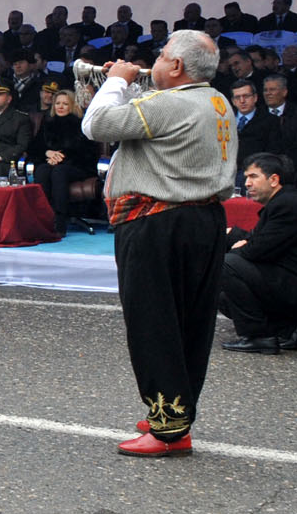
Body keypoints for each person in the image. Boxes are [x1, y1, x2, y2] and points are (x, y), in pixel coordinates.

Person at [82, 30, 232, 458]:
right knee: (190, 323)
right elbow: (153, 116)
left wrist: (117, 80)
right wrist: (129, 85)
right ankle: (177, 411)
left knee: (154, 324)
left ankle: (168, 428)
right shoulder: (215, 100)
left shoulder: (168, 105)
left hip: (157, 222)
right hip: (203, 219)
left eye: (163, 56)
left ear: (178, 66)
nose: (156, 62)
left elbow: (95, 124)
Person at [219, 153, 297, 353]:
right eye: (246, 177)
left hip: (289, 281)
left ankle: (258, 336)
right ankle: (285, 331)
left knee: (225, 264)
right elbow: (260, 240)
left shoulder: (287, 204)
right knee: (220, 292)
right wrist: (234, 236)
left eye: (253, 176)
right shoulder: (281, 201)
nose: (247, 183)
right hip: (282, 277)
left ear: (274, 180)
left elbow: (259, 250)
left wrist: (239, 244)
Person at [28, 89, 98, 233]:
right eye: (57, 103)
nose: (60, 106)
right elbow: (34, 147)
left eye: (65, 104)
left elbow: (87, 152)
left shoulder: (81, 124)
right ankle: (43, 219)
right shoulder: (47, 123)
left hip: (78, 166)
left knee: (59, 172)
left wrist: (61, 157)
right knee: (42, 170)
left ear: (72, 106)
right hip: (50, 163)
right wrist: (48, 153)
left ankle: (59, 221)